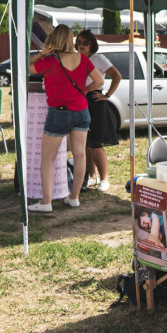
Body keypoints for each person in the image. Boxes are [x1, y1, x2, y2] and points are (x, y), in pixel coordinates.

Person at [28, 24, 103, 213]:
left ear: (53, 39)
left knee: (47, 158)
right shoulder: (82, 58)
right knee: (80, 155)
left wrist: (42, 53)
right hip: (82, 111)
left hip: (59, 112)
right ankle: (74, 197)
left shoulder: (50, 61)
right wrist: (84, 91)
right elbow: (100, 81)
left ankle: (46, 202)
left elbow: (30, 68)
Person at [74, 30, 120, 192]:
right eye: (79, 42)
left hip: (94, 99)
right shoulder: (76, 58)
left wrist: (106, 95)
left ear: (92, 44)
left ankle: (104, 178)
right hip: (80, 99)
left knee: (95, 142)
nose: (81, 45)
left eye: (85, 42)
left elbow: (117, 76)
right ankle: (92, 176)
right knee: (84, 141)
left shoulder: (98, 58)